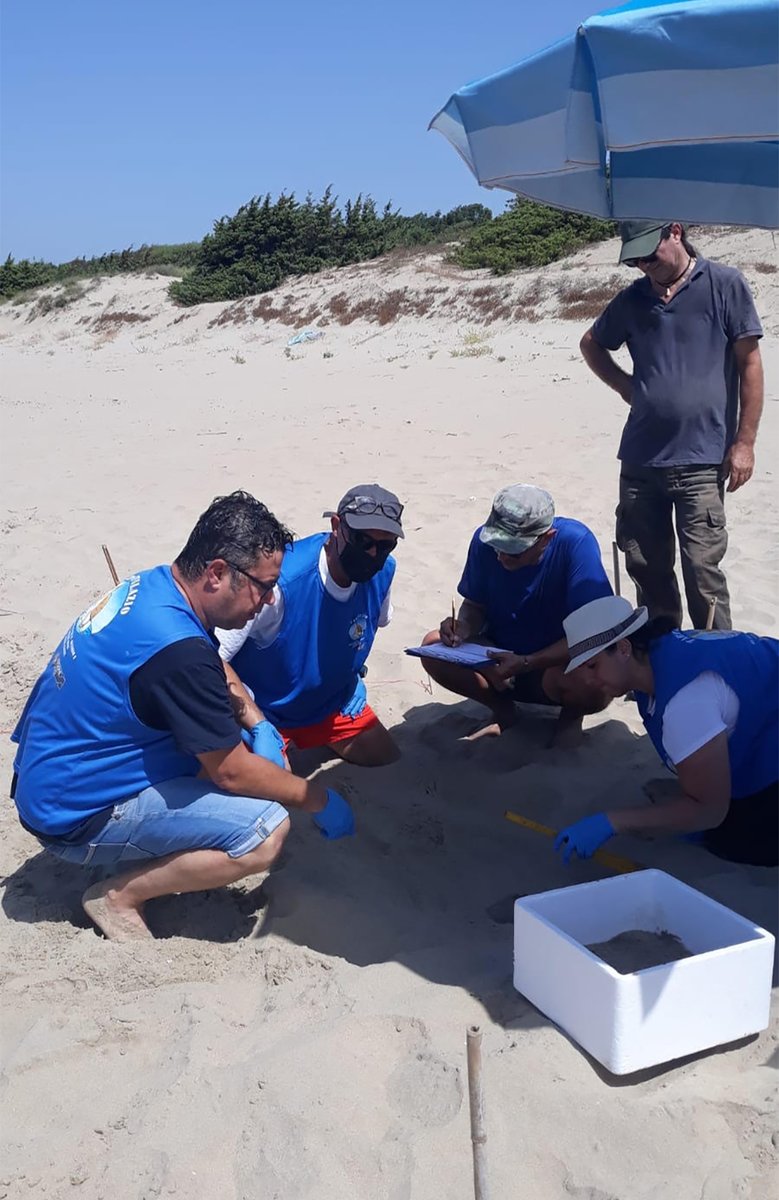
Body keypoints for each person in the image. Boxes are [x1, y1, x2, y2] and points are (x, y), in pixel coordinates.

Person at [10, 491, 354, 943]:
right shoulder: (178, 654)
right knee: (265, 828)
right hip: (71, 813)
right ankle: (118, 896)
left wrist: (258, 723)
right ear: (216, 573)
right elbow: (230, 774)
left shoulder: (157, 587)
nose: (269, 601)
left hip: (52, 772)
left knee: (253, 755)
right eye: (264, 586)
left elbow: (209, 658)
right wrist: (316, 799)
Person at [580, 220, 764, 631]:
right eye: (636, 261)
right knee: (646, 567)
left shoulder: (724, 284)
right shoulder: (633, 300)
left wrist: (745, 442)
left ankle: (715, 661)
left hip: (702, 459)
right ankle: (660, 662)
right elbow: (591, 344)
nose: (645, 266)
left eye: (650, 254)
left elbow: (750, 364)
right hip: (641, 462)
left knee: (703, 571)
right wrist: (626, 387)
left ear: (675, 233)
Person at [554, 596, 778, 868]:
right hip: (764, 710)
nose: (588, 680)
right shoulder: (656, 653)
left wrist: (612, 822)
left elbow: (710, 811)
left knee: (735, 838)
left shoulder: (685, 703)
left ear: (624, 648)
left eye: (593, 666)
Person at [218, 484, 403, 767]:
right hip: (266, 711)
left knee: (384, 755)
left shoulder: (384, 572)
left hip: (329, 704)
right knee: (275, 781)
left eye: (385, 545)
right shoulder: (279, 582)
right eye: (362, 540)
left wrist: (353, 676)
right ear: (336, 526)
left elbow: (366, 627)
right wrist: (255, 722)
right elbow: (211, 656)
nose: (373, 553)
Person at [419, 484, 614, 747]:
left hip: (557, 663)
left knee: (596, 678)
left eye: (513, 550)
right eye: (497, 545)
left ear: (547, 538)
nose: (501, 556)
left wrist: (527, 662)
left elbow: (595, 631)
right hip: (495, 661)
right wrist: (463, 626)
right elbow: (474, 604)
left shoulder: (575, 543)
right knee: (432, 645)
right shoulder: (482, 542)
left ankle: (570, 719)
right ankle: (503, 711)